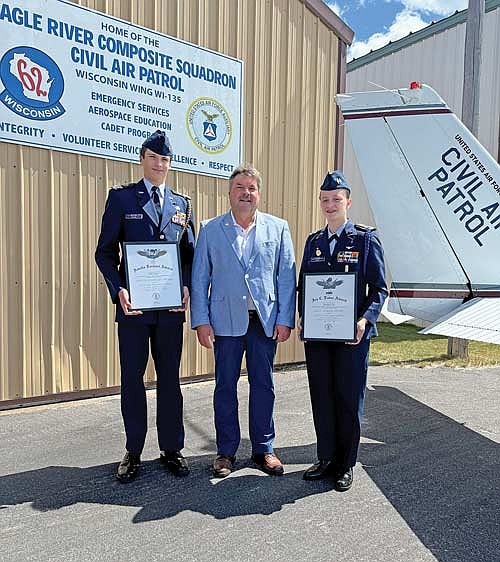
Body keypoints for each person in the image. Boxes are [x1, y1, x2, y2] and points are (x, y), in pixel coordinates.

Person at [95, 130, 195, 482]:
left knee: (170, 380)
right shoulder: (122, 199)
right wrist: (118, 289)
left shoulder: (182, 205)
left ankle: (172, 448)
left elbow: (189, 256)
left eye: (165, 159)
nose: (159, 164)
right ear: (142, 158)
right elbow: (105, 252)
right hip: (134, 311)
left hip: (169, 312)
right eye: (153, 157)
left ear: (170, 164)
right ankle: (133, 450)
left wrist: (185, 285)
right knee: (132, 380)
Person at [190, 164, 296, 478]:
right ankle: (225, 451)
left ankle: (264, 448)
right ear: (230, 193)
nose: (245, 193)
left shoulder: (277, 228)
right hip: (225, 322)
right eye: (240, 187)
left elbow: (286, 277)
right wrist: (201, 321)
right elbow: (200, 280)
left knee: (264, 385)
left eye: (251, 188)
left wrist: (285, 318)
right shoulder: (210, 229)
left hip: (263, 322)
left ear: (258, 194)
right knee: (225, 386)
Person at [297, 171, 387, 491]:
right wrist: (304, 316)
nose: (330, 204)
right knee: (322, 396)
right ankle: (325, 458)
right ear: (320, 203)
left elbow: (379, 289)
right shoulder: (314, 242)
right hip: (320, 337)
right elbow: (304, 287)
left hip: (353, 337)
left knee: (348, 400)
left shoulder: (364, 239)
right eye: (325, 200)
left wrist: (365, 320)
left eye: (337, 199)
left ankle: (346, 463)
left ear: (348, 201)